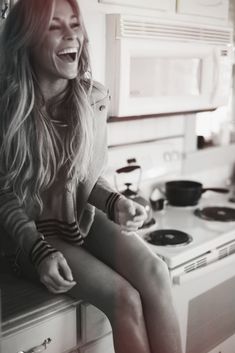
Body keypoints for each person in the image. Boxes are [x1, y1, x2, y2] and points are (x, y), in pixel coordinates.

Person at [0, 0, 182, 352]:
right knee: (124, 298)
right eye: (55, 27)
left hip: (74, 220)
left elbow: (85, 176)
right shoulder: (8, 108)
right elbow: (4, 196)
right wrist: (38, 251)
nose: (72, 35)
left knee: (157, 273)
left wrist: (115, 203)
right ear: (27, 39)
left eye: (75, 24)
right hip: (25, 235)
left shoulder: (91, 99)